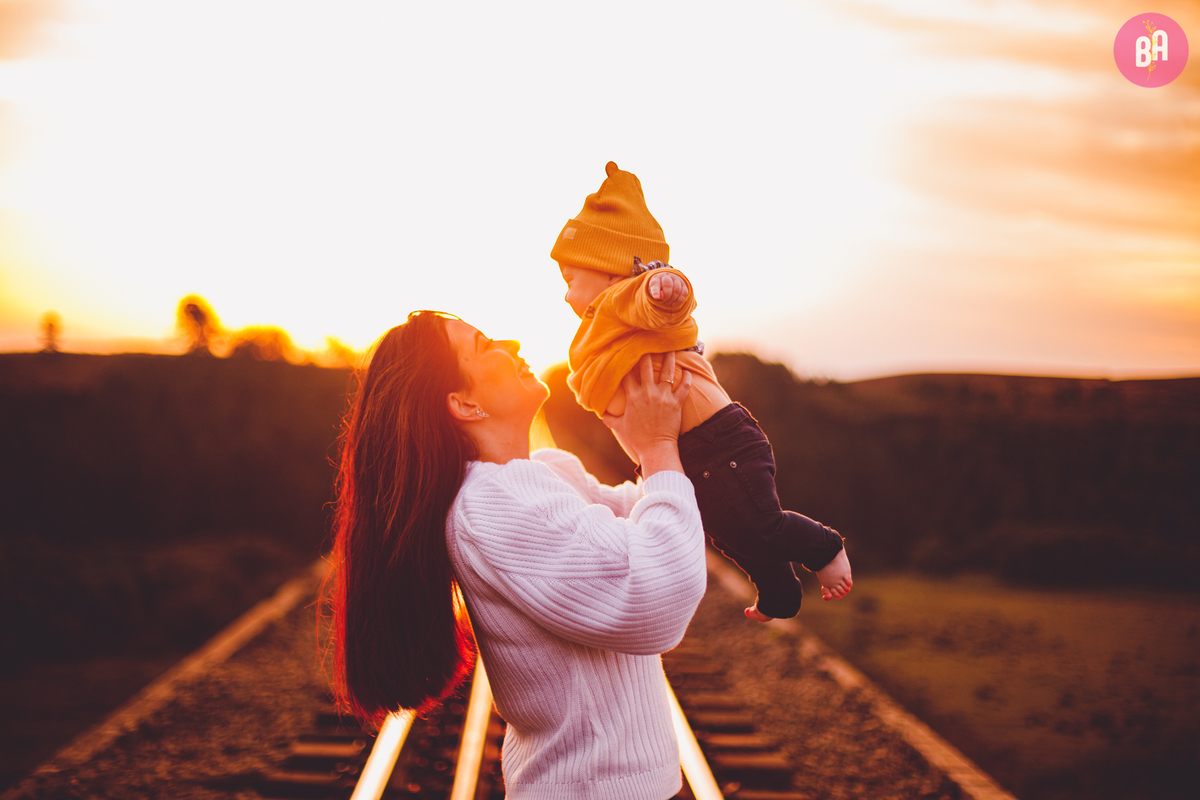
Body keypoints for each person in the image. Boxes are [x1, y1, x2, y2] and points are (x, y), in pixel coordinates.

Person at [326, 310, 708, 800]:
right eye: (485, 344)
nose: (510, 342)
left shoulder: (544, 475)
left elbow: (659, 511)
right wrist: (656, 447)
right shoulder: (493, 505)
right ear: (464, 404)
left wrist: (658, 386)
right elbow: (656, 595)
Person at [551, 161, 853, 622]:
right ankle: (779, 593)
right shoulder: (605, 333)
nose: (566, 294)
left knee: (755, 526)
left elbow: (654, 298)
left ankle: (825, 548)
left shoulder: (624, 302)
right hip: (690, 452)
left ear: (610, 272)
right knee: (726, 532)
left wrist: (662, 286)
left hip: (717, 441)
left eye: (570, 280)